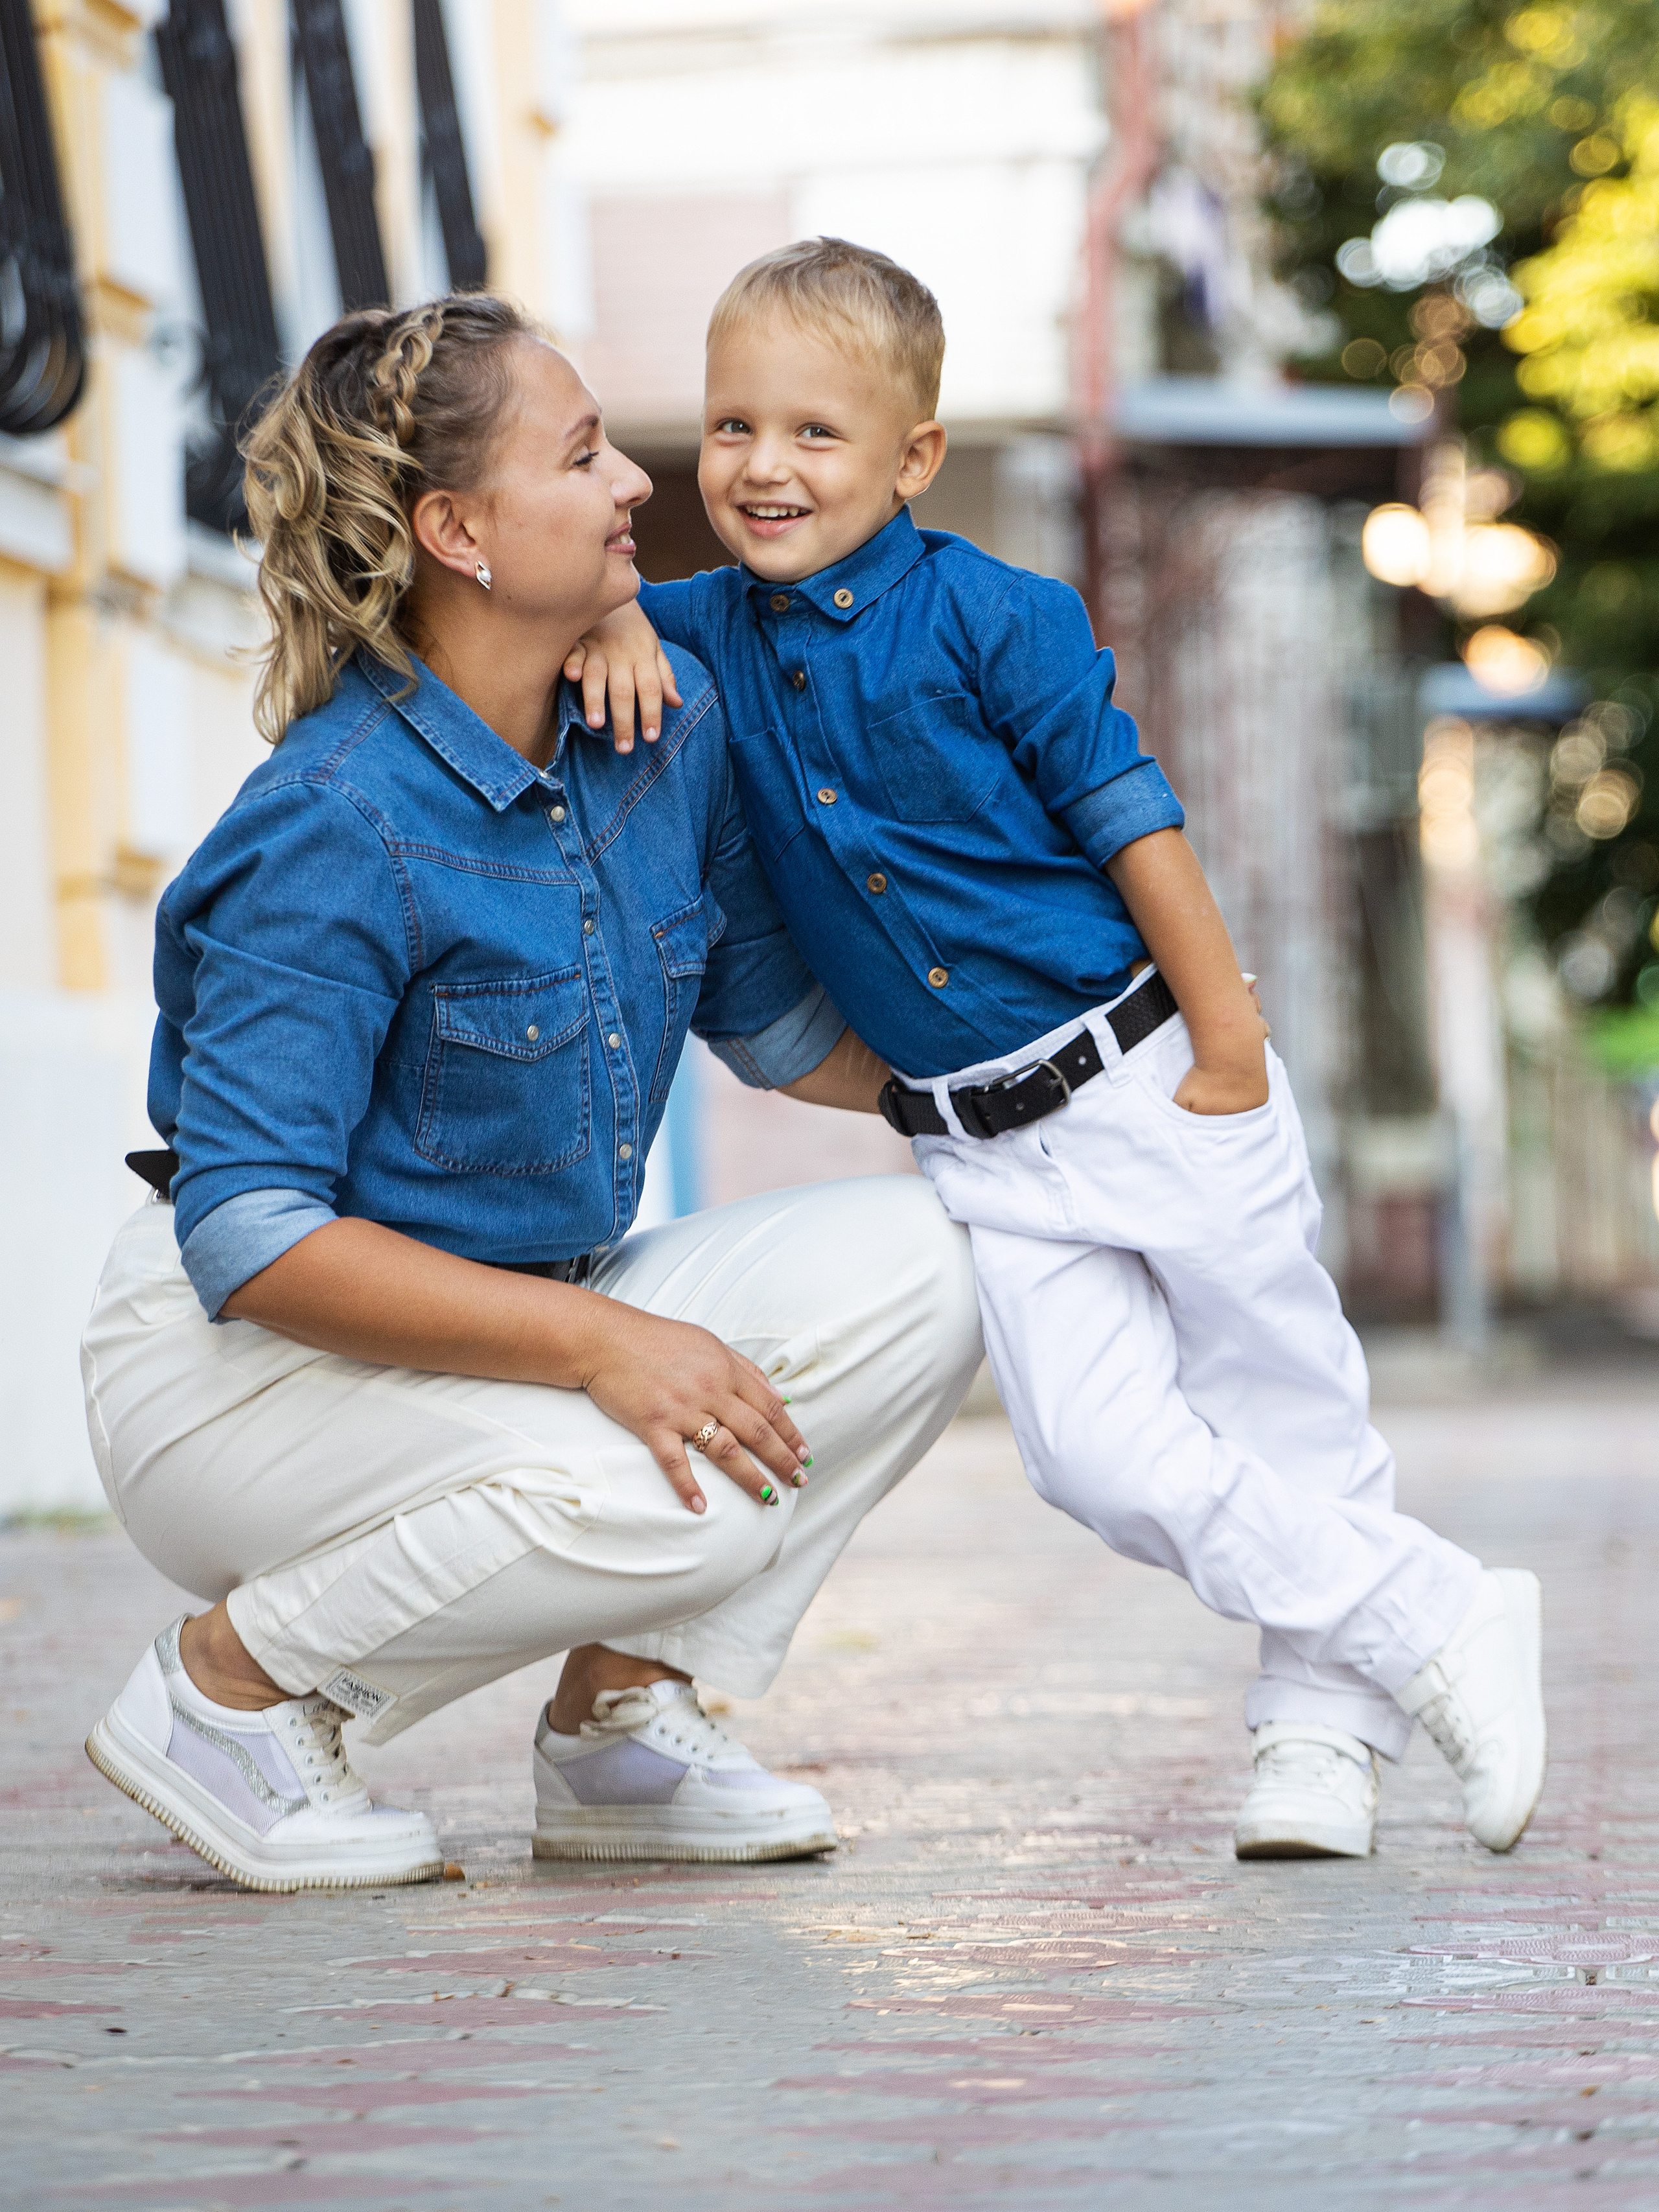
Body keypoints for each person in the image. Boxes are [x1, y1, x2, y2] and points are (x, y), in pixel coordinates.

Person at [572, 238, 1548, 1862]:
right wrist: (611, 612)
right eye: (733, 426)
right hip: (980, 1146)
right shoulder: (697, 630)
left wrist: (1226, 1038)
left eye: (817, 433)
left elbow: (1130, 821)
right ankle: (1435, 1608)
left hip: (1150, 1074)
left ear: (913, 458)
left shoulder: (997, 616)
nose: (761, 465)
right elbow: (578, 606)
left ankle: (1315, 1741)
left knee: (1277, 1404)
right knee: (1091, 1455)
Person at [79, 294, 982, 1894]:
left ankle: (620, 1730)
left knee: (942, 1262)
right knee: (691, 1500)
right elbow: (252, 1236)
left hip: (506, 1320)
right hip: (242, 1377)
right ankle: (230, 1693)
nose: (637, 480)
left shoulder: (650, 737)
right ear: (457, 529)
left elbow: (777, 1032)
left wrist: (1055, 1085)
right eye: (580, 457)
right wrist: (603, 1343)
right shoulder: (332, 823)